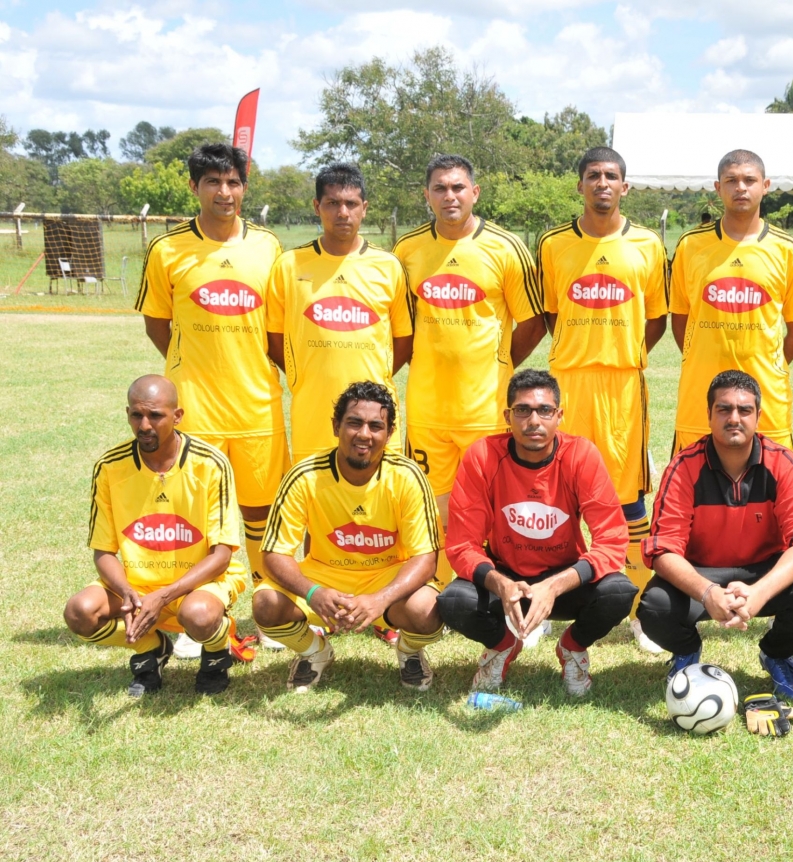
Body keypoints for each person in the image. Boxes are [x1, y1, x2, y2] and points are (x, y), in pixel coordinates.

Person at [135, 143, 285, 613]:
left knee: (260, 512)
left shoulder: (267, 246)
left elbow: (277, 326)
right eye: (213, 182)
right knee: (193, 513)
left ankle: (267, 602)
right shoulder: (167, 249)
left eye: (234, 182)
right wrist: (190, 364)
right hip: (195, 406)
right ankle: (189, 606)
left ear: (244, 187)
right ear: (194, 187)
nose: (225, 192)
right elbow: (157, 322)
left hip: (257, 404)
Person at [535, 146, 668, 650]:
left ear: (625, 187)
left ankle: (636, 607)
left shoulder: (648, 245)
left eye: (612, 176)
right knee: (549, 492)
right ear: (580, 185)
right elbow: (550, 313)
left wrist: (621, 349)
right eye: (593, 176)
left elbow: (655, 319)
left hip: (621, 385)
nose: (603, 184)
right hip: (567, 381)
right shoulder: (553, 244)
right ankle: (545, 603)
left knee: (626, 498)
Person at [393, 153, 545, 588]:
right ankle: (439, 592)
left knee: (497, 506)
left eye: (458, 187)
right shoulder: (407, 251)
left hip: (486, 406)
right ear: (426, 196)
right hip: (427, 407)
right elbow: (400, 325)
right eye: (439, 188)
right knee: (433, 508)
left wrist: (499, 363)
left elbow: (533, 321)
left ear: (475, 192)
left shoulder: (505, 247)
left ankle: (509, 588)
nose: (449, 196)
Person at [437, 370, 636, 696]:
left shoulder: (581, 455)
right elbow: (461, 545)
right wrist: (501, 583)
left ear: (559, 416)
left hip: (563, 580)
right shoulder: (482, 456)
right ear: (508, 417)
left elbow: (612, 540)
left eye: (545, 410)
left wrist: (555, 585)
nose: (534, 420)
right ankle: (502, 646)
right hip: (507, 578)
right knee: (454, 601)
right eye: (523, 410)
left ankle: (572, 647)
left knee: (619, 592)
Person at [637, 370, 793, 702]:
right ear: (709, 415)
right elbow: (663, 550)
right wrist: (708, 592)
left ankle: (777, 653)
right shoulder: (684, 467)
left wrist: (758, 593)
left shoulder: (782, 462)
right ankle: (687, 652)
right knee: (655, 606)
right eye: (724, 409)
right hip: (702, 572)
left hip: (764, 571)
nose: (734, 418)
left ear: (758, 416)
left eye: (744, 410)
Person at [252, 382, 444, 693]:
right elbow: (273, 553)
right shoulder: (305, 476)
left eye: (375, 426)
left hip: (385, 578)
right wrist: (314, 592)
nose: (364, 434)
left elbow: (426, 558)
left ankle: (409, 651)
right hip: (325, 575)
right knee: (265, 604)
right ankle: (315, 651)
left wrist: (378, 600)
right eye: (354, 422)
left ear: (390, 432)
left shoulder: (407, 476)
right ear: (336, 426)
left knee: (429, 610)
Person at [63, 375, 247, 696]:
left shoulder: (211, 463)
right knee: (80, 612)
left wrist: (164, 596)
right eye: (136, 415)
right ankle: (151, 649)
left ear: (177, 416)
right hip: (138, 585)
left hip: (201, 584)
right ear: (127, 414)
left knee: (199, 615)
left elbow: (222, 555)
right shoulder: (109, 466)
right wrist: (129, 593)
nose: (144, 425)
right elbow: (103, 551)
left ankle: (216, 652)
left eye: (156, 415)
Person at [265, 163, 413, 464]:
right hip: (312, 413)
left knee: (378, 503)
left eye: (351, 204)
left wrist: (373, 376)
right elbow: (274, 336)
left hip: (375, 415)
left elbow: (404, 340)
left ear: (365, 208)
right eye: (332, 203)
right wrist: (302, 376)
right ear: (317, 206)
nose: (342, 213)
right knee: (318, 502)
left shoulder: (388, 266)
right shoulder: (289, 265)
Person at [668, 149, 793, 451]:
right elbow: (680, 319)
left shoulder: (787, 249)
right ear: (718, 188)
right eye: (731, 180)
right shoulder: (691, 246)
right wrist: (702, 356)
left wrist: (770, 364)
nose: (741, 187)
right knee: (696, 490)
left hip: (767, 396)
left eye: (749, 180)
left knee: (770, 491)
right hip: (700, 394)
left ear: (766, 185)